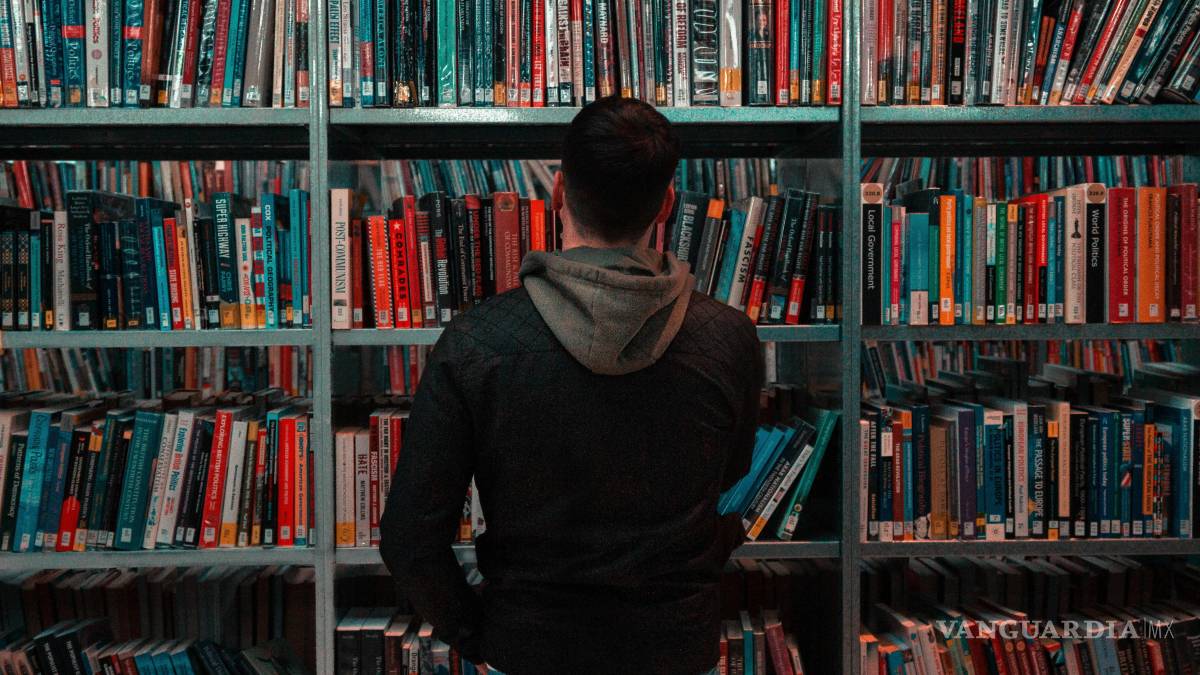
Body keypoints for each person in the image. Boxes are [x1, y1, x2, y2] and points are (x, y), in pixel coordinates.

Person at [379, 96, 763, 675]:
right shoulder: (728, 338)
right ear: (667, 204)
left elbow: (410, 537)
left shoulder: (477, 342)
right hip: (674, 645)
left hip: (529, 642)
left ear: (558, 192)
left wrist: (480, 635)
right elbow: (729, 475)